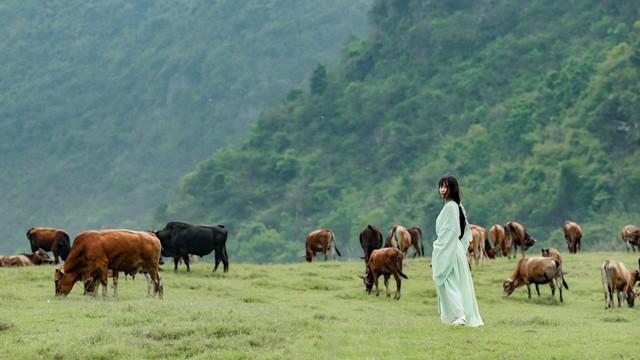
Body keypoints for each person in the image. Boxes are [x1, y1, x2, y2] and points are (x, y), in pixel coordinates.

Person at [431, 175, 483, 327]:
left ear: (452, 189)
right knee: (451, 281)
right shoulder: (455, 206)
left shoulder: (451, 207)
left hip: (450, 248)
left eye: (446, 187)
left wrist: (440, 248)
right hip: (453, 248)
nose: (442, 190)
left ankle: (460, 315)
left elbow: (452, 231)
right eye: (441, 186)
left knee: (448, 280)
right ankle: (459, 315)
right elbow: (464, 231)